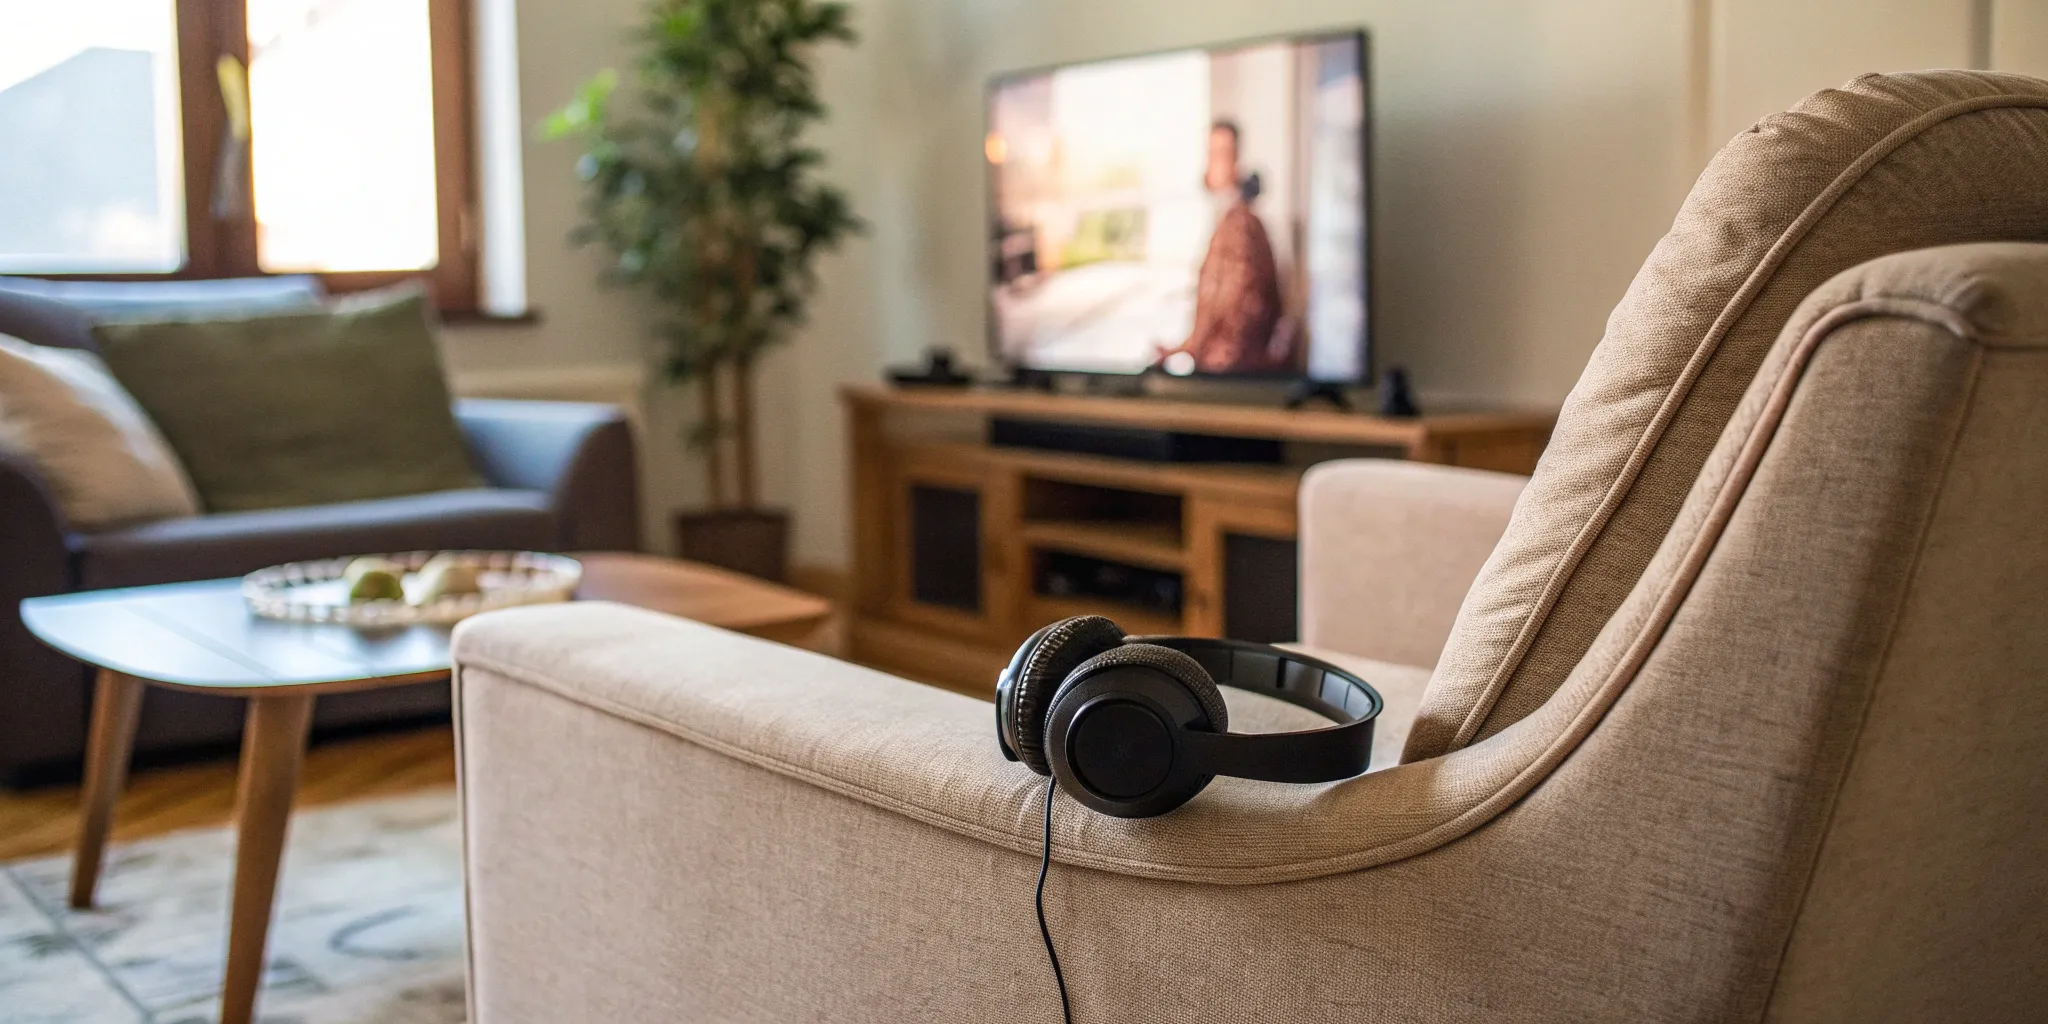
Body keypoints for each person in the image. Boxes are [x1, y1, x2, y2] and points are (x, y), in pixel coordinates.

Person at [1155, 120, 1290, 374]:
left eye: (1221, 154)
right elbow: (1215, 306)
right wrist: (1186, 347)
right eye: (1210, 154)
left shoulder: (1241, 225)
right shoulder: (1228, 219)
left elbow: (1239, 314)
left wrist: (1208, 363)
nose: (1213, 164)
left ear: (1237, 161)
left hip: (1232, 374)